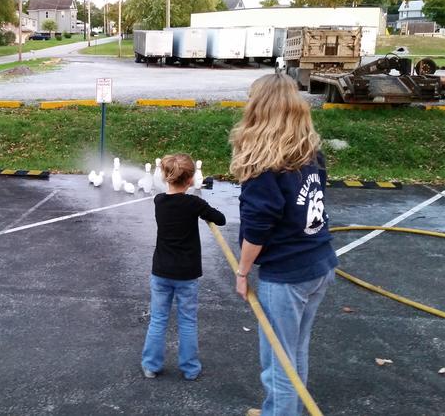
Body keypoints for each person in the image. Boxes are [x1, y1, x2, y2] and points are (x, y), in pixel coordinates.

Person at [229, 74, 338, 416]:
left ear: (257, 110)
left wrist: (242, 272)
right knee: (294, 351)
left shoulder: (263, 168)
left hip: (288, 276)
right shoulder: (310, 152)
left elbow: (258, 230)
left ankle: (281, 411)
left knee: (278, 361)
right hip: (319, 264)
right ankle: (283, 409)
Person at [141, 153, 226, 381]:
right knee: (187, 321)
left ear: (165, 177)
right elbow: (220, 219)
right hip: (187, 274)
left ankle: (151, 365)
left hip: (160, 272)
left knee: (158, 320)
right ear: (190, 180)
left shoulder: (159, 201)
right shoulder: (194, 203)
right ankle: (190, 369)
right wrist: (203, 211)